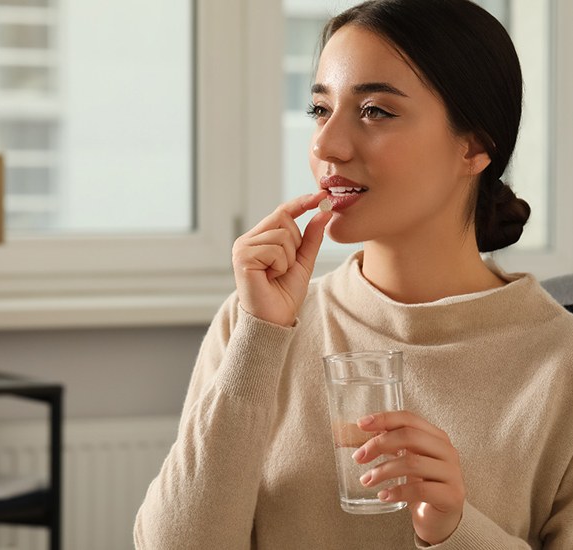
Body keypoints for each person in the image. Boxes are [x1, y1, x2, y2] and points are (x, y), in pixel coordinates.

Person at [134, 0, 573, 548]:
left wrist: (455, 530)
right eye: (320, 109)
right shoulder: (257, 325)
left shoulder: (560, 365)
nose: (325, 145)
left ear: (475, 146)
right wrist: (258, 339)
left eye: (375, 111)